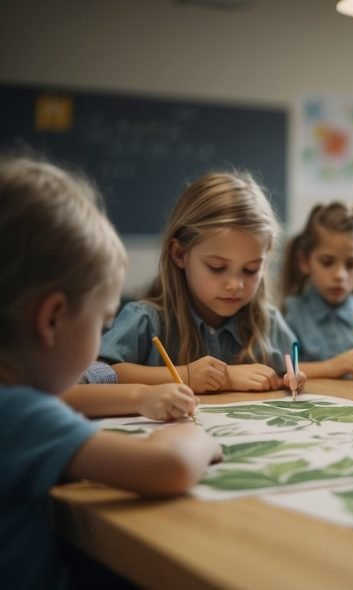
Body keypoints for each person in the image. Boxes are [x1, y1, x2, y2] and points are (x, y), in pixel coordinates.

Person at [0, 156, 221, 589]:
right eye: (102, 323)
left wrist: (139, 398)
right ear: (52, 319)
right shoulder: (19, 412)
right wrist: (192, 437)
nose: (102, 341)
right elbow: (168, 467)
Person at [101, 171, 304, 393]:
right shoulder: (147, 321)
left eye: (251, 269)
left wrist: (291, 377)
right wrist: (188, 376)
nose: (235, 284)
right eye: (217, 267)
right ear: (180, 255)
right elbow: (98, 374)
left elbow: (292, 369)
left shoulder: (268, 324)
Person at [281, 201, 353, 378]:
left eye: (351, 264)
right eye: (327, 262)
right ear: (304, 261)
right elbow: (278, 369)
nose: (340, 275)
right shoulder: (290, 313)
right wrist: (331, 367)